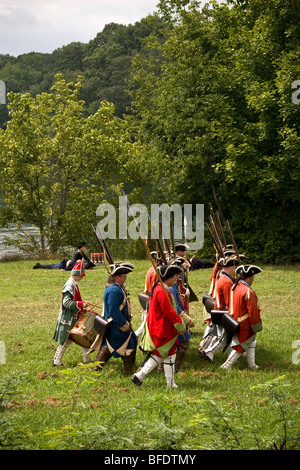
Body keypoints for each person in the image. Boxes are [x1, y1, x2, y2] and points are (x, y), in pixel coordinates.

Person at [131, 264, 187, 388]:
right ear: (169, 277)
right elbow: (170, 312)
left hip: (159, 327)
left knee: (163, 354)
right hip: (162, 329)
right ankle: (169, 383)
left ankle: (140, 376)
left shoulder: (158, 288)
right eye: (175, 276)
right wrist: (181, 327)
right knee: (168, 354)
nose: (177, 278)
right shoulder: (162, 291)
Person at [93, 262, 136, 374]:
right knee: (126, 345)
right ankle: (128, 371)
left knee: (111, 346)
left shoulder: (117, 288)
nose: (125, 278)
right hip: (117, 325)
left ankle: (96, 368)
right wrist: (123, 324)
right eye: (123, 276)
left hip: (117, 323)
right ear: (117, 277)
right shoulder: (113, 290)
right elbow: (113, 311)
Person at [220, 264, 263, 370]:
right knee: (240, 346)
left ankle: (252, 365)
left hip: (235, 320)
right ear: (249, 278)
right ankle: (227, 365)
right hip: (245, 323)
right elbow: (252, 312)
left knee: (252, 341)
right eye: (253, 278)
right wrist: (256, 325)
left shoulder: (235, 287)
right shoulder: (248, 292)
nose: (253, 280)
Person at [52, 259, 90, 366]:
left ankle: (86, 358)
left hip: (74, 317)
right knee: (65, 341)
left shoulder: (74, 284)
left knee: (83, 336)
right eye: (81, 275)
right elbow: (66, 303)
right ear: (77, 274)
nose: (82, 277)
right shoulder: (70, 286)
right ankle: (56, 360)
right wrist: (81, 305)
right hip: (68, 318)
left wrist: (82, 304)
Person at [201, 255, 239, 362]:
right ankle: (209, 351)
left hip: (219, 311)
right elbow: (229, 301)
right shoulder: (226, 282)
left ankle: (211, 352)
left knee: (223, 337)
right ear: (231, 267)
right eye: (234, 267)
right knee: (225, 338)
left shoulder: (222, 277)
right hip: (224, 312)